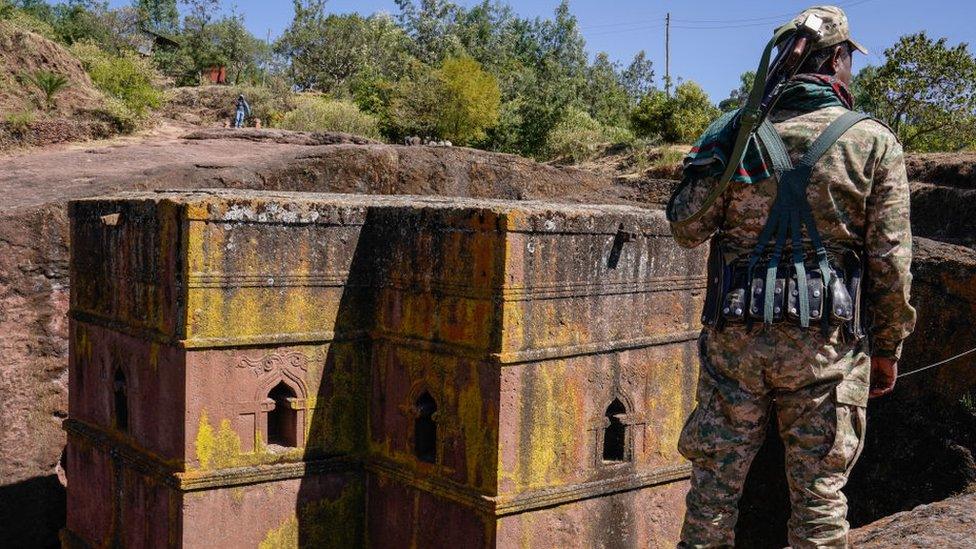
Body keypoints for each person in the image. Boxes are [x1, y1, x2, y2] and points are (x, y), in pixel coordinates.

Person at [667, 6, 916, 548]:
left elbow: (687, 225)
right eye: (850, 57)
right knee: (821, 505)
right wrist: (888, 347)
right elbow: (891, 260)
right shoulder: (873, 142)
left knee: (711, 499)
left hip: (736, 348)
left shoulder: (737, 132)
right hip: (824, 353)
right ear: (838, 60)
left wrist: (705, 161)